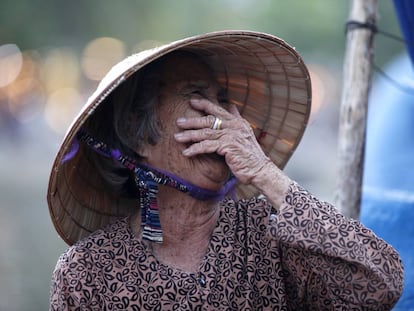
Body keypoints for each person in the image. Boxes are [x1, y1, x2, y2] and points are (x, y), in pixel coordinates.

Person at [48, 30, 403, 310]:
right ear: (137, 131)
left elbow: (380, 285)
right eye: (197, 95)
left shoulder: (270, 235)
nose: (224, 120)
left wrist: (264, 172)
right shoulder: (86, 274)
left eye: (222, 100)